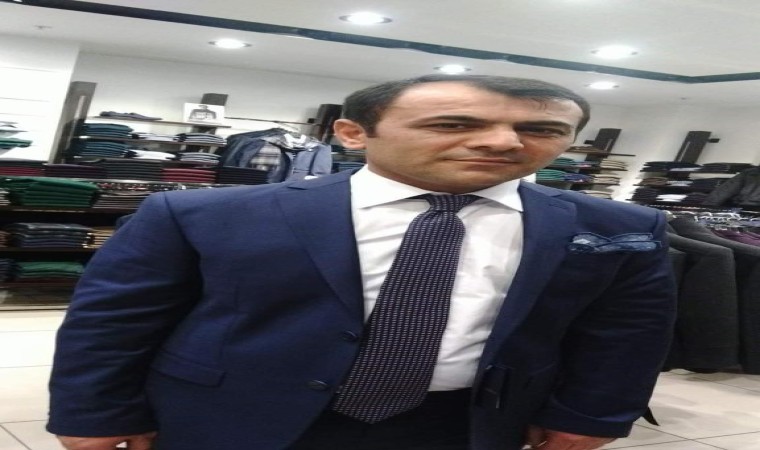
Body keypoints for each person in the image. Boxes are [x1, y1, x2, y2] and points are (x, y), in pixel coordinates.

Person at [47, 74, 676, 450]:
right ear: (353, 133)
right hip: (231, 414)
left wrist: (592, 417)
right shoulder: (200, 215)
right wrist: (93, 414)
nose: (502, 142)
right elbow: (113, 323)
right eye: (453, 123)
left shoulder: (620, 226)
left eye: (542, 130)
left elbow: (624, 335)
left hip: (467, 425)